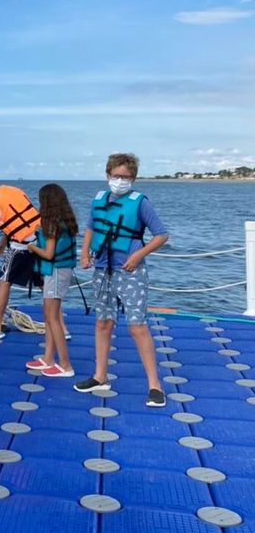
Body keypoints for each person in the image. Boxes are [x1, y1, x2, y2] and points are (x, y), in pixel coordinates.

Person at [74, 152, 169, 407]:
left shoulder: (141, 203)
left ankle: (154, 385)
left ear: (133, 178)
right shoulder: (99, 200)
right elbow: (91, 227)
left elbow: (161, 235)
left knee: (137, 325)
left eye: (126, 177)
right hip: (102, 268)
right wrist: (84, 253)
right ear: (108, 175)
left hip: (130, 271)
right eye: (116, 176)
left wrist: (139, 254)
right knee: (103, 322)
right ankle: (100, 375)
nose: (120, 180)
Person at [25, 184, 78, 377]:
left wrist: (32, 247)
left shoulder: (50, 224)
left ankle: (65, 365)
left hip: (56, 272)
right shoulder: (64, 221)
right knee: (49, 315)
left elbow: (48, 254)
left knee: (53, 317)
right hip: (60, 271)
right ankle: (48, 358)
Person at [0, 182, 40, 338]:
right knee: (43, 283)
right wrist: (3, 242)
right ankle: (61, 328)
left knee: (4, 281)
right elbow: (14, 218)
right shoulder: (12, 192)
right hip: (38, 240)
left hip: (20, 246)